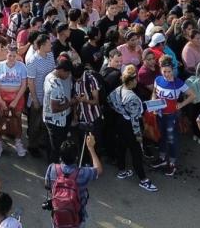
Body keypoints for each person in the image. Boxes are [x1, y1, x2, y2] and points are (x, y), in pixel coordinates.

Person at [108, 64, 157, 192]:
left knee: (121, 148)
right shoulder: (132, 97)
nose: (137, 81)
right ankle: (143, 180)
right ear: (130, 81)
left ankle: (122, 171)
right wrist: (139, 135)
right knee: (136, 152)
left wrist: (121, 110)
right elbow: (135, 119)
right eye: (135, 80)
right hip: (130, 125)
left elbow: (109, 100)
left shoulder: (118, 89)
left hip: (120, 122)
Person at [43, 135, 102, 228]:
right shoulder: (83, 173)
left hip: (57, 215)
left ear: (60, 157)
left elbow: (47, 186)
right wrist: (91, 148)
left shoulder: (52, 168)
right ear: (76, 158)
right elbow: (98, 169)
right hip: (77, 216)